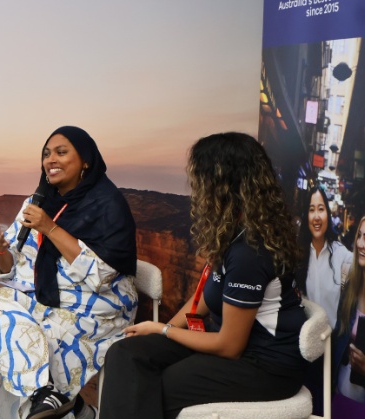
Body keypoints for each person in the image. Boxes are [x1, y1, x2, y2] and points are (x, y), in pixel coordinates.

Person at [99, 132, 308, 418]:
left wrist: (162, 330)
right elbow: (203, 301)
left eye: (200, 181)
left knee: (149, 386)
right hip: (235, 349)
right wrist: (160, 335)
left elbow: (229, 346)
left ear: (222, 185)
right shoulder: (234, 232)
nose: (196, 190)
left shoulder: (249, 252)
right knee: (125, 354)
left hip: (264, 366)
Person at [0, 126, 137, 419]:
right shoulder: (37, 202)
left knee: (19, 362)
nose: (50, 160)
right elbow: (10, 271)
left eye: (61, 152)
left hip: (97, 309)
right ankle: (54, 399)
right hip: (44, 301)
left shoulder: (107, 205)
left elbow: (103, 276)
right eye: (46, 154)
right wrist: (1, 252)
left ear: (85, 160)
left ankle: (50, 398)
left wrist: (50, 227)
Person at [297, 186, 352, 329]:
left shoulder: (340, 253)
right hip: (304, 341)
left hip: (331, 343)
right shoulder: (299, 254)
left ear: (327, 214)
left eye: (321, 209)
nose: (316, 216)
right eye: (311, 209)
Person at [333, 215, 365, 406]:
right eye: (360, 236)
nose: (362, 243)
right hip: (342, 396)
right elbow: (339, 338)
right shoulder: (351, 287)